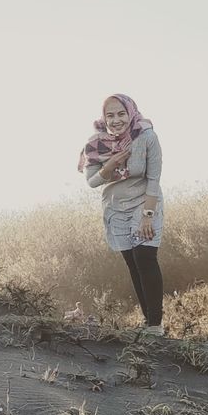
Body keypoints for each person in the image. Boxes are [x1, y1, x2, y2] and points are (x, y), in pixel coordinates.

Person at [79, 94, 165, 336]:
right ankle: (148, 321)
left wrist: (148, 215)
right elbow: (92, 182)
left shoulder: (146, 136)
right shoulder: (96, 143)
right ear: (103, 117)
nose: (116, 120)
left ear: (130, 112)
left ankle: (156, 325)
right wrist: (110, 165)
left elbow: (154, 178)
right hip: (116, 207)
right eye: (110, 115)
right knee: (133, 263)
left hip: (145, 202)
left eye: (121, 114)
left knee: (145, 256)